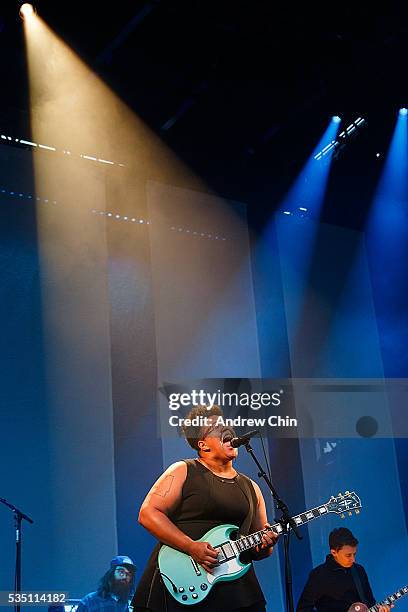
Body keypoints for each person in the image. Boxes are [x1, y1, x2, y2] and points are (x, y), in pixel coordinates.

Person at [132, 405, 278, 611]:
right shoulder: (184, 470)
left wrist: (266, 544)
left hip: (236, 590)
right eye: (217, 427)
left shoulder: (251, 487)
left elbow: (259, 549)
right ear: (203, 445)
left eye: (227, 424)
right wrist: (191, 547)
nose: (227, 428)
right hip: (182, 579)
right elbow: (148, 513)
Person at [296, 528, 391, 612]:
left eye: (354, 554)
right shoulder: (318, 575)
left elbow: (370, 604)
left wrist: (380, 610)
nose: (353, 559)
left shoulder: (359, 570)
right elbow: (302, 609)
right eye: (348, 555)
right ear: (334, 552)